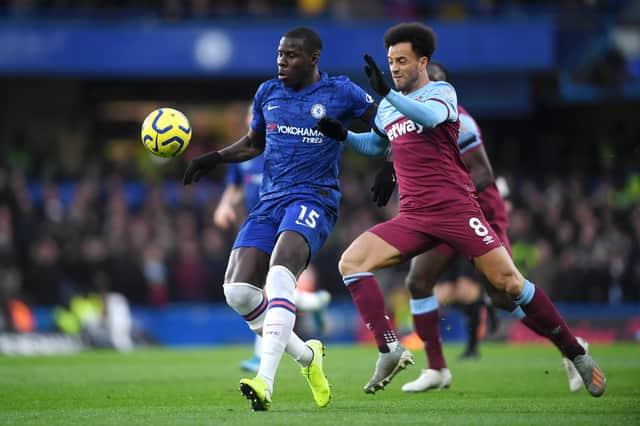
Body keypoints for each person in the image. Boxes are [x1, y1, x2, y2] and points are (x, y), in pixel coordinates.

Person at [315, 22, 606, 397]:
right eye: (390, 63)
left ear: (423, 62)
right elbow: (375, 146)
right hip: (414, 217)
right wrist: (342, 136)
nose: (395, 69)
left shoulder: (442, 93)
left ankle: (575, 352)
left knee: (509, 285)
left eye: (402, 61)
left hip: (457, 211)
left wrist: (387, 92)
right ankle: (390, 347)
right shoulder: (388, 107)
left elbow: (430, 120)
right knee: (351, 263)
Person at [183, 27, 376, 410]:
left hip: (314, 198)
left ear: (314, 58)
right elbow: (255, 142)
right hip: (270, 202)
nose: (281, 61)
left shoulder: (342, 92)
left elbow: (385, 124)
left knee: (279, 274)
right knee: (238, 292)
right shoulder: (268, 92)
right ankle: (308, 358)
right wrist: (215, 158)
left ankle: (264, 382)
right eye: (279, 54)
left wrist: (388, 165)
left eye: (291, 55)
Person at [368, 62, 590, 392]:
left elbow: (484, 173)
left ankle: (573, 348)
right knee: (418, 280)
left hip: (478, 212)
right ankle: (437, 369)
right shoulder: (407, 118)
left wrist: (449, 195)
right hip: (442, 214)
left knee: (502, 294)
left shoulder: (459, 118)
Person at [213, 105, 331, 374]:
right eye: (251, 117)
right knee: (254, 290)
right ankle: (313, 303)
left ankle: (263, 361)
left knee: (270, 288)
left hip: (288, 223)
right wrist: (224, 206)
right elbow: (234, 187)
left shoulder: (281, 149)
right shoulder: (244, 156)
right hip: (259, 224)